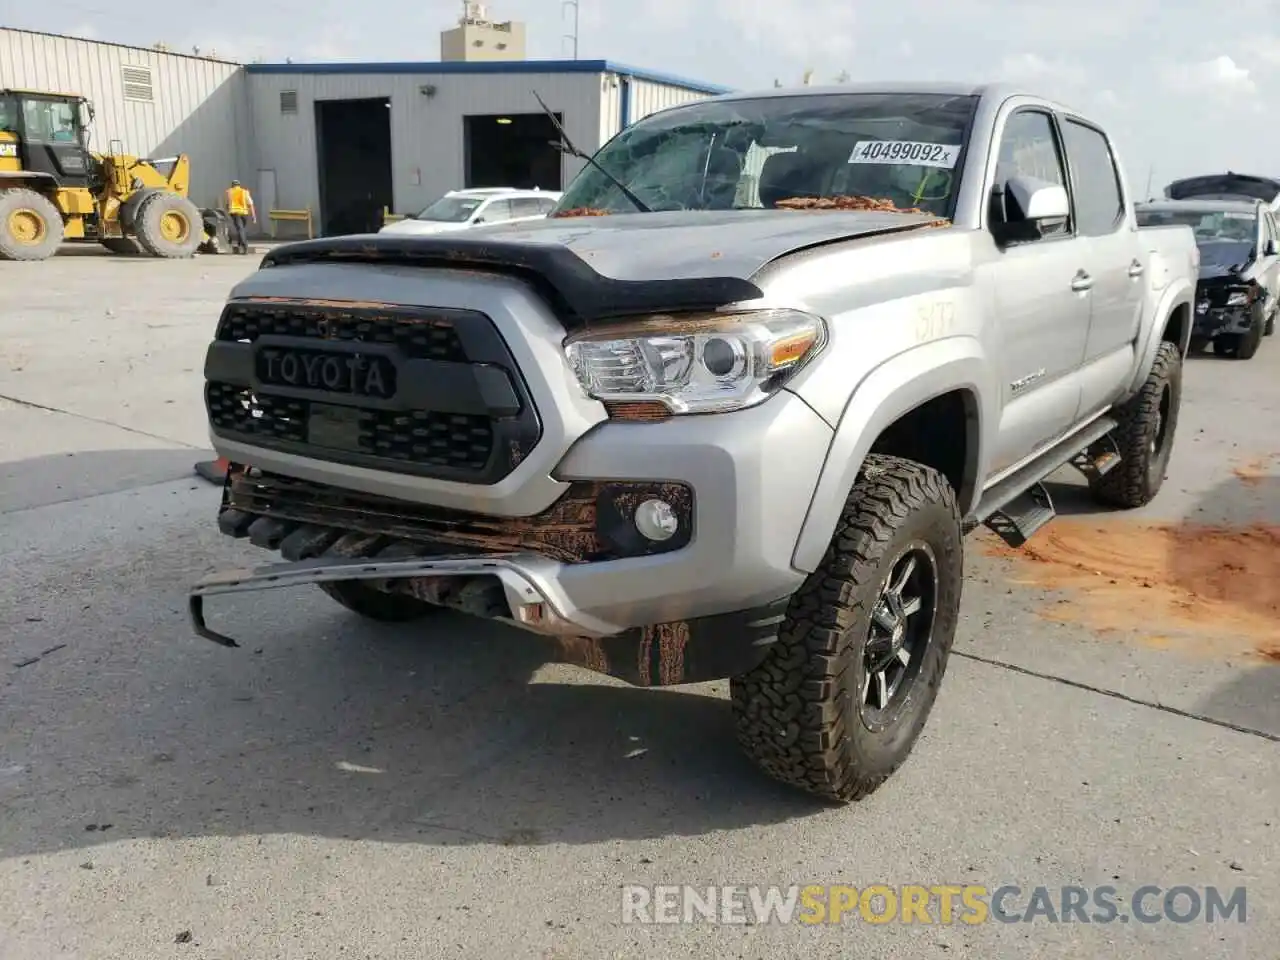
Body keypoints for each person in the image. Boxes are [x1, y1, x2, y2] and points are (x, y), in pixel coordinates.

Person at [224, 179, 256, 254]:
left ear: (232, 185)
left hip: (235, 213)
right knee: (241, 229)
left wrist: (228, 211)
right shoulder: (245, 192)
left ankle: (244, 247)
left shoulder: (229, 192)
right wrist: (254, 216)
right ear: (239, 185)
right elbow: (251, 204)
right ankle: (240, 244)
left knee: (240, 229)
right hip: (244, 213)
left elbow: (227, 204)